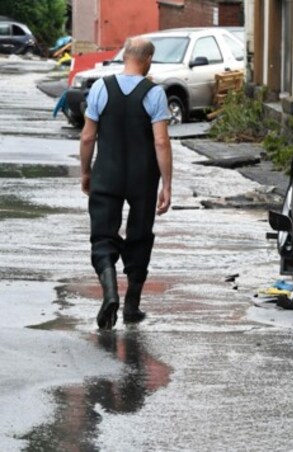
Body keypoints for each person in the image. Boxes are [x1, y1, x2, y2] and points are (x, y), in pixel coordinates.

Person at [79, 37, 173, 329]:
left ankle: (109, 293)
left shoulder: (100, 88)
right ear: (147, 60)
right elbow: (161, 141)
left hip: (107, 173)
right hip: (143, 178)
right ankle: (132, 305)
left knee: (102, 235)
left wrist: (86, 171)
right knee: (140, 235)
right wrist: (167, 184)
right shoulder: (154, 93)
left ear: (125, 57)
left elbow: (87, 136)